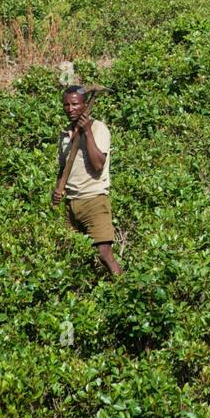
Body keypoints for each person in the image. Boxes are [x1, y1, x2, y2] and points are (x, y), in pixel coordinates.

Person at [52, 85, 123, 276]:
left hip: (94, 200)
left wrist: (87, 133)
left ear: (84, 105)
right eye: (66, 105)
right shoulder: (65, 134)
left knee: (104, 254)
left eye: (75, 104)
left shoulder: (99, 128)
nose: (70, 109)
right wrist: (59, 188)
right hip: (71, 204)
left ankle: (125, 290)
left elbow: (99, 164)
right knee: (72, 254)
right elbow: (63, 167)